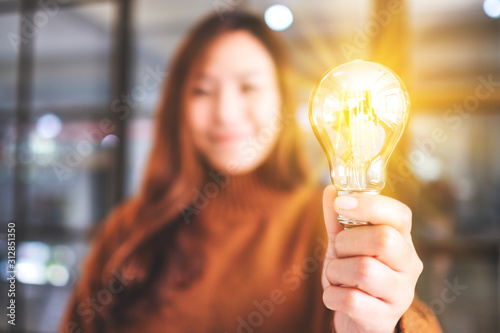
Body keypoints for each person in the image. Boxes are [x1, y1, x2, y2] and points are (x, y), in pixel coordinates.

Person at [60, 11, 442, 333]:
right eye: (202, 90)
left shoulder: (327, 225)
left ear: (282, 99)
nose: (225, 112)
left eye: (248, 87)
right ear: (178, 107)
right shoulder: (130, 229)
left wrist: (389, 320)